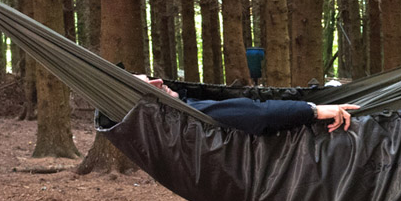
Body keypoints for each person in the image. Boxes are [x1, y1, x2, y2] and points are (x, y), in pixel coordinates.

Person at [136, 75, 359, 136]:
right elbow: (257, 115)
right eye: (150, 86)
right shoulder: (187, 113)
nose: (160, 82)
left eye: (152, 77)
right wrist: (314, 111)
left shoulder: (185, 103)